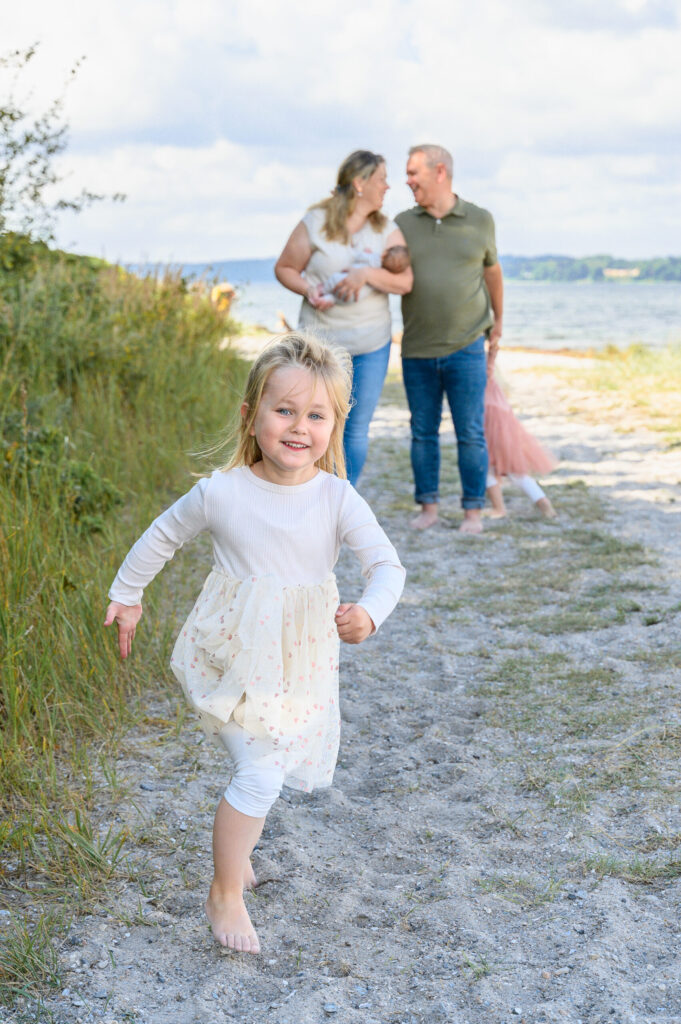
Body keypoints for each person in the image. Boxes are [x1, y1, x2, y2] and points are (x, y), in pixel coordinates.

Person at [104, 332, 405, 956]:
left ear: (335, 424)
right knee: (262, 771)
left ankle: (236, 863)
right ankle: (224, 890)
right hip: (229, 651)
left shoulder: (336, 498)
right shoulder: (223, 491)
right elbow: (162, 536)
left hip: (299, 663)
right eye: (284, 410)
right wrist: (128, 594)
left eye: (315, 415)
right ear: (252, 415)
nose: (299, 427)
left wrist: (370, 614)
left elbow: (388, 567)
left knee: (259, 763)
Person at [275, 150, 413, 487]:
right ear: (359, 183)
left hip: (371, 346)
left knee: (355, 428)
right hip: (318, 349)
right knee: (314, 422)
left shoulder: (386, 229)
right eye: (381, 179)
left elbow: (405, 282)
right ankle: (303, 492)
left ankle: (338, 501)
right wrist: (309, 290)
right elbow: (285, 268)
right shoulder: (316, 224)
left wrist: (367, 274)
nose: (388, 186)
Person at [395, 144, 503, 534]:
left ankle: (473, 512)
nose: (406, 181)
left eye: (413, 173)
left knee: (469, 431)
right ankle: (429, 508)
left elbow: (493, 275)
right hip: (417, 348)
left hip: (467, 345)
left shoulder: (479, 219)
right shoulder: (402, 223)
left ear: (440, 172)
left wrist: (498, 327)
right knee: (422, 431)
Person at [484, 374, 557, 518]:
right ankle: (542, 502)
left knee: (486, 469)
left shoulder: (481, 376)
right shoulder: (495, 384)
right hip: (504, 422)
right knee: (513, 469)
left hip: (489, 423)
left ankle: (499, 508)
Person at [319, 245, 410, 305]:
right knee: (336, 298)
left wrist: (366, 253)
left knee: (335, 280)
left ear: (384, 253)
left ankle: (323, 290)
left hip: (344, 282)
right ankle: (330, 299)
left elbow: (359, 257)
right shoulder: (384, 275)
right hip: (356, 297)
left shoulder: (375, 258)